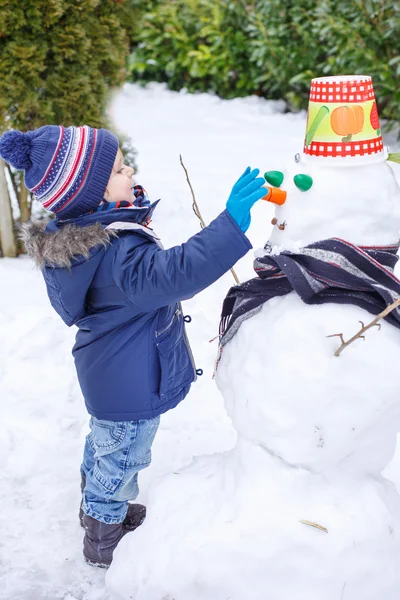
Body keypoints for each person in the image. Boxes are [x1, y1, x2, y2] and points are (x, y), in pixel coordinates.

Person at [0, 124, 266, 567]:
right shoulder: (118, 254)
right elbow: (174, 272)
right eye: (122, 169)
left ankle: (95, 506)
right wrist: (230, 225)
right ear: (96, 198)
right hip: (129, 383)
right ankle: (104, 534)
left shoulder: (92, 241)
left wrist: (127, 201)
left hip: (113, 376)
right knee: (123, 457)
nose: (132, 170)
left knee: (107, 445)